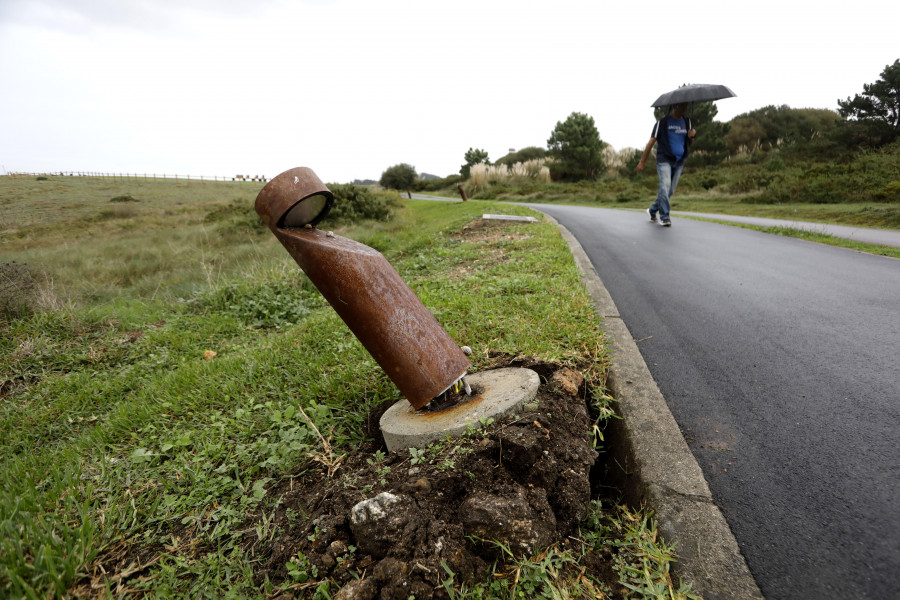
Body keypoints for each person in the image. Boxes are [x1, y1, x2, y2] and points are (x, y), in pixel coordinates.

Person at [637, 102, 696, 227]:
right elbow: (651, 141)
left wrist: (691, 137)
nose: (684, 109)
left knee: (670, 190)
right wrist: (642, 161)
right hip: (664, 159)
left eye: (685, 106)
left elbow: (687, 143)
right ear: (675, 106)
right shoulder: (662, 122)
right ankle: (664, 217)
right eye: (682, 106)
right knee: (665, 186)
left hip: (680, 160)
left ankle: (652, 210)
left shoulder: (687, 122)